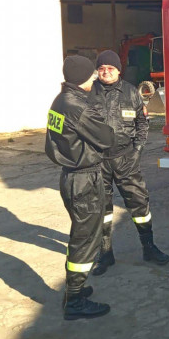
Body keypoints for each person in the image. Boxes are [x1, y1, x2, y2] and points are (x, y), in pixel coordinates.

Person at [45, 55, 115, 320]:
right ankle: (74, 300)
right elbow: (107, 138)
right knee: (85, 240)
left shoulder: (60, 100)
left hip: (71, 176)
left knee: (81, 235)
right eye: (91, 74)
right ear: (82, 77)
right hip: (84, 179)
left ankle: (76, 289)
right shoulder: (78, 106)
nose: (95, 78)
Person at [88, 49, 169, 275]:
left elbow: (142, 123)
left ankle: (149, 248)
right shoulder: (88, 93)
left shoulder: (131, 92)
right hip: (97, 161)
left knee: (139, 205)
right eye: (101, 68)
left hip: (126, 159)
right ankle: (105, 253)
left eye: (110, 68)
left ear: (119, 70)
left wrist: (137, 151)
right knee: (100, 209)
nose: (106, 72)